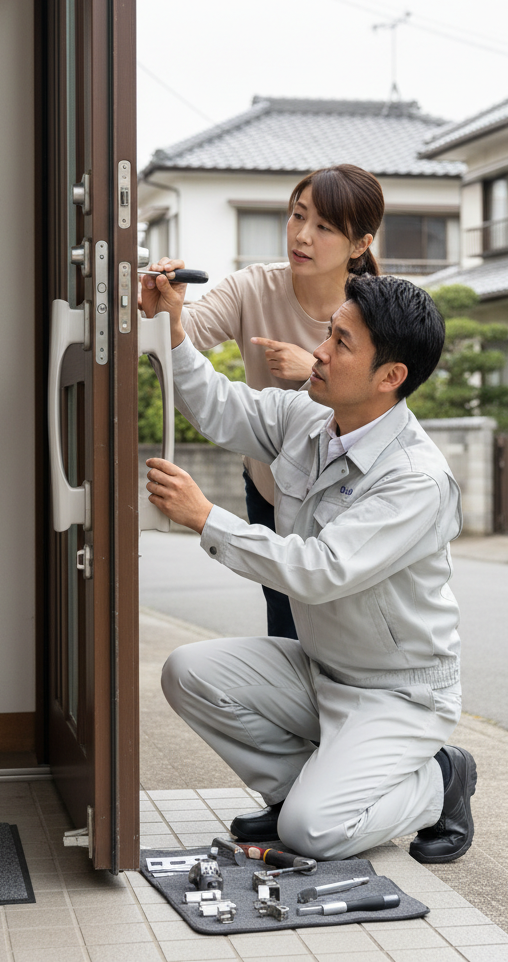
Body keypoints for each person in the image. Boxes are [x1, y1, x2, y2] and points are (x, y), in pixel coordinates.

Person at [139, 267, 476, 864]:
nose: (318, 352)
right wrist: (171, 327)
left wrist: (206, 518)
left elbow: (320, 570)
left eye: (342, 343)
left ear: (390, 377)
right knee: (188, 672)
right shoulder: (310, 420)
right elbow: (220, 406)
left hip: (396, 693)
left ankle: (439, 783)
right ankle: (309, 791)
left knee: (313, 834)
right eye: (330, 333)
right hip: (322, 669)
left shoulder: (415, 480)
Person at [145, 163, 384, 641]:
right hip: (271, 488)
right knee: (284, 621)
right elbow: (181, 336)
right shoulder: (254, 286)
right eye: (298, 216)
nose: (302, 236)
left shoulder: (377, 309)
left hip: (347, 494)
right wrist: (164, 306)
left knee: (345, 625)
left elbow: (389, 401)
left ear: (360, 245)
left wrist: (312, 368)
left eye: (324, 227)